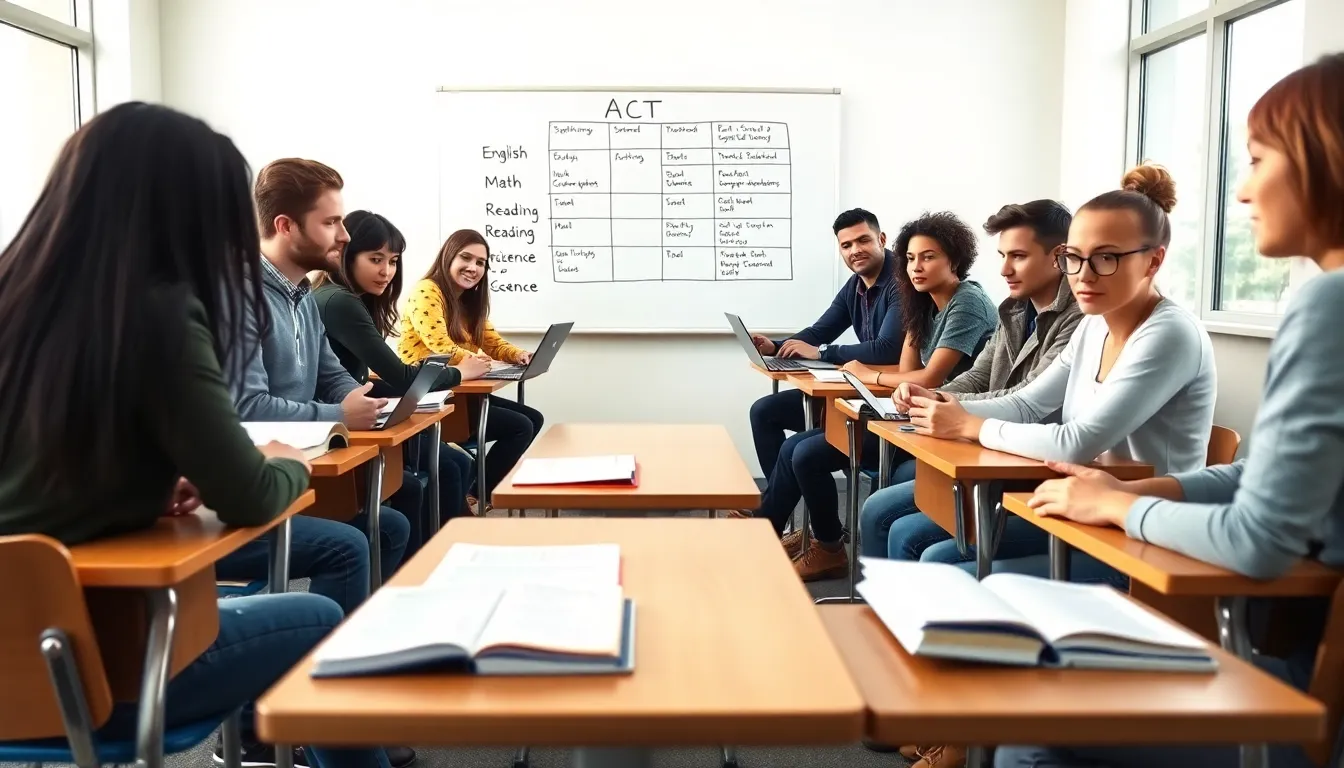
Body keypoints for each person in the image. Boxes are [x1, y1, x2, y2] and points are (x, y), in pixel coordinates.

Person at [0, 101, 387, 768]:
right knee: (318, 621)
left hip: (19, 667)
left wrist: (130, 488)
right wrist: (280, 460)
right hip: (101, 677)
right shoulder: (157, 313)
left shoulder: (16, 297)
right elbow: (250, 496)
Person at [994, 51, 1344, 768]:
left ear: (1324, 157)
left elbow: (1259, 541)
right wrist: (1140, 489)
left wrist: (1120, 509)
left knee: (1030, 734)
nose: (1242, 191)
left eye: (1256, 158)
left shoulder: (1326, 302)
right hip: (1301, 644)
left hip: (1305, 683)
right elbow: (1263, 478)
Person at [222, 160, 416, 767]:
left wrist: (377, 404)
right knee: (347, 547)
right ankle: (287, 719)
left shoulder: (303, 294)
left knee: (389, 525)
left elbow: (332, 375)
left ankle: (348, 685)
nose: (342, 235)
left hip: (296, 472)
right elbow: (247, 405)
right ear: (285, 225)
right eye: (331, 222)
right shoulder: (243, 295)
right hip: (239, 491)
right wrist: (337, 417)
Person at [759, 210, 997, 581]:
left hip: (945, 422)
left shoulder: (966, 302)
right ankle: (810, 539)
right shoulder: (919, 300)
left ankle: (814, 543)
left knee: (804, 451)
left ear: (955, 258)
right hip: (910, 411)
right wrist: (779, 346)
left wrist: (867, 373)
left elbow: (929, 376)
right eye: (912, 259)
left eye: (928, 257)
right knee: (788, 438)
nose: (916, 267)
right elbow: (906, 369)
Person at [857, 200, 1082, 562]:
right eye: (1003, 255)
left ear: (1059, 257)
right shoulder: (1015, 307)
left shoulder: (1077, 319)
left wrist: (947, 407)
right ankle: (875, 611)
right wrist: (929, 396)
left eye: (1018, 256)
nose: (1005, 269)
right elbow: (978, 374)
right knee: (878, 508)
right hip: (994, 448)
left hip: (1029, 465)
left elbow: (1028, 398)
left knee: (902, 529)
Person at [313, 210, 483, 545]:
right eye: (375, 259)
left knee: (453, 465)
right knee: (448, 468)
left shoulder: (345, 298)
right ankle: (449, 554)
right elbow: (402, 376)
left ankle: (456, 549)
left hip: (354, 415)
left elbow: (368, 376)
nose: (386, 271)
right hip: (341, 428)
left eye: (392, 261)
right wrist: (457, 374)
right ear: (346, 253)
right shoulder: (339, 301)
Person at [745, 208, 904, 484]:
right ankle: (776, 503)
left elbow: (887, 349)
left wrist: (822, 353)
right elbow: (820, 331)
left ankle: (779, 513)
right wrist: (775, 346)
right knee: (763, 411)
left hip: (887, 398)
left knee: (801, 452)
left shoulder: (902, 281)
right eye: (847, 245)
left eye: (863, 240)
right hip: (857, 391)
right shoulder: (855, 285)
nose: (855, 250)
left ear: (882, 239)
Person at [397, 228, 545, 510]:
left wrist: (519, 355)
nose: (473, 267)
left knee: (532, 419)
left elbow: (492, 342)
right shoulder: (427, 291)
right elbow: (440, 346)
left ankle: (475, 492)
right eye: (466, 258)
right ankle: (478, 492)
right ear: (448, 256)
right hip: (430, 393)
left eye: (481, 262)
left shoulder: (469, 299)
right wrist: (478, 362)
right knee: (520, 426)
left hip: (460, 391)